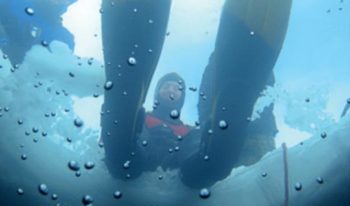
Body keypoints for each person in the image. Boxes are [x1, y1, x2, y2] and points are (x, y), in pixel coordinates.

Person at [101, 0, 292, 188]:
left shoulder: (189, 132)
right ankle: (122, 100)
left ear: (182, 97)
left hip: (189, 175)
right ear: (156, 92)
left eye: (176, 87)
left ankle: (229, 123)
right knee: (124, 152)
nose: (170, 89)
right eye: (166, 86)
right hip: (132, 160)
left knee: (201, 149)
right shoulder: (143, 121)